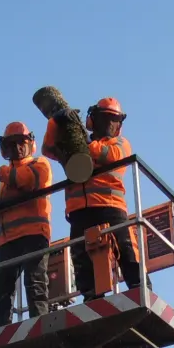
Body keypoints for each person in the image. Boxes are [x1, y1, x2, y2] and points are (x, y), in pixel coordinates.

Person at [42, 97, 140, 300]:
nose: (110, 124)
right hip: (79, 210)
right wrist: (55, 121)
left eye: (114, 120)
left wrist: (86, 144)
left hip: (110, 206)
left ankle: (139, 287)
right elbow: (49, 148)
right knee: (81, 257)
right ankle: (91, 297)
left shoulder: (120, 144)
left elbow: (109, 155)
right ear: (93, 120)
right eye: (105, 118)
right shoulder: (76, 147)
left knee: (126, 249)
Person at [0, 121, 53, 326]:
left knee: (35, 282)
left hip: (34, 234)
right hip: (8, 240)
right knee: (1, 289)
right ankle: (2, 327)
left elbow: (27, 180)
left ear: (30, 143)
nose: (16, 148)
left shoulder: (39, 164)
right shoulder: (6, 178)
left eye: (20, 142)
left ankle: (40, 323)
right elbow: (7, 205)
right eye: (11, 144)